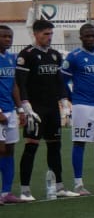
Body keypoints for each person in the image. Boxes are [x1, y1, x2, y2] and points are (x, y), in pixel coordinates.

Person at [13, 18, 67, 200]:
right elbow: (20, 82)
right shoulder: (26, 54)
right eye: (46, 34)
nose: (49, 37)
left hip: (52, 109)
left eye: (51, 34)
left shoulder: (55, 55)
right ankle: (25, 190)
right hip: (35, 110)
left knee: (55, 147)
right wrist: (25, 105)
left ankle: (59, 186)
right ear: (35, 34)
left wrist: (64, 102)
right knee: (31, 147)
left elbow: (59, 81)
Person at [62, 22, 94, 196]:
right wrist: (72, 99)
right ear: (81, 38)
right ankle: (78, 184)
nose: (92, 39)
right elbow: (61, 81)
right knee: (80, 143)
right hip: (83, 106)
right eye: (88, 36)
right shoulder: (74, 56)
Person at [0, 25, 18, 204]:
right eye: (4, 36)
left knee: (10, 150)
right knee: (1, 149)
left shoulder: (11, 58)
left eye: (10, 36)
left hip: (10, 111)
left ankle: (6, 192)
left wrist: (20, 109)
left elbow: (14, 85)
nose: (8, 39)